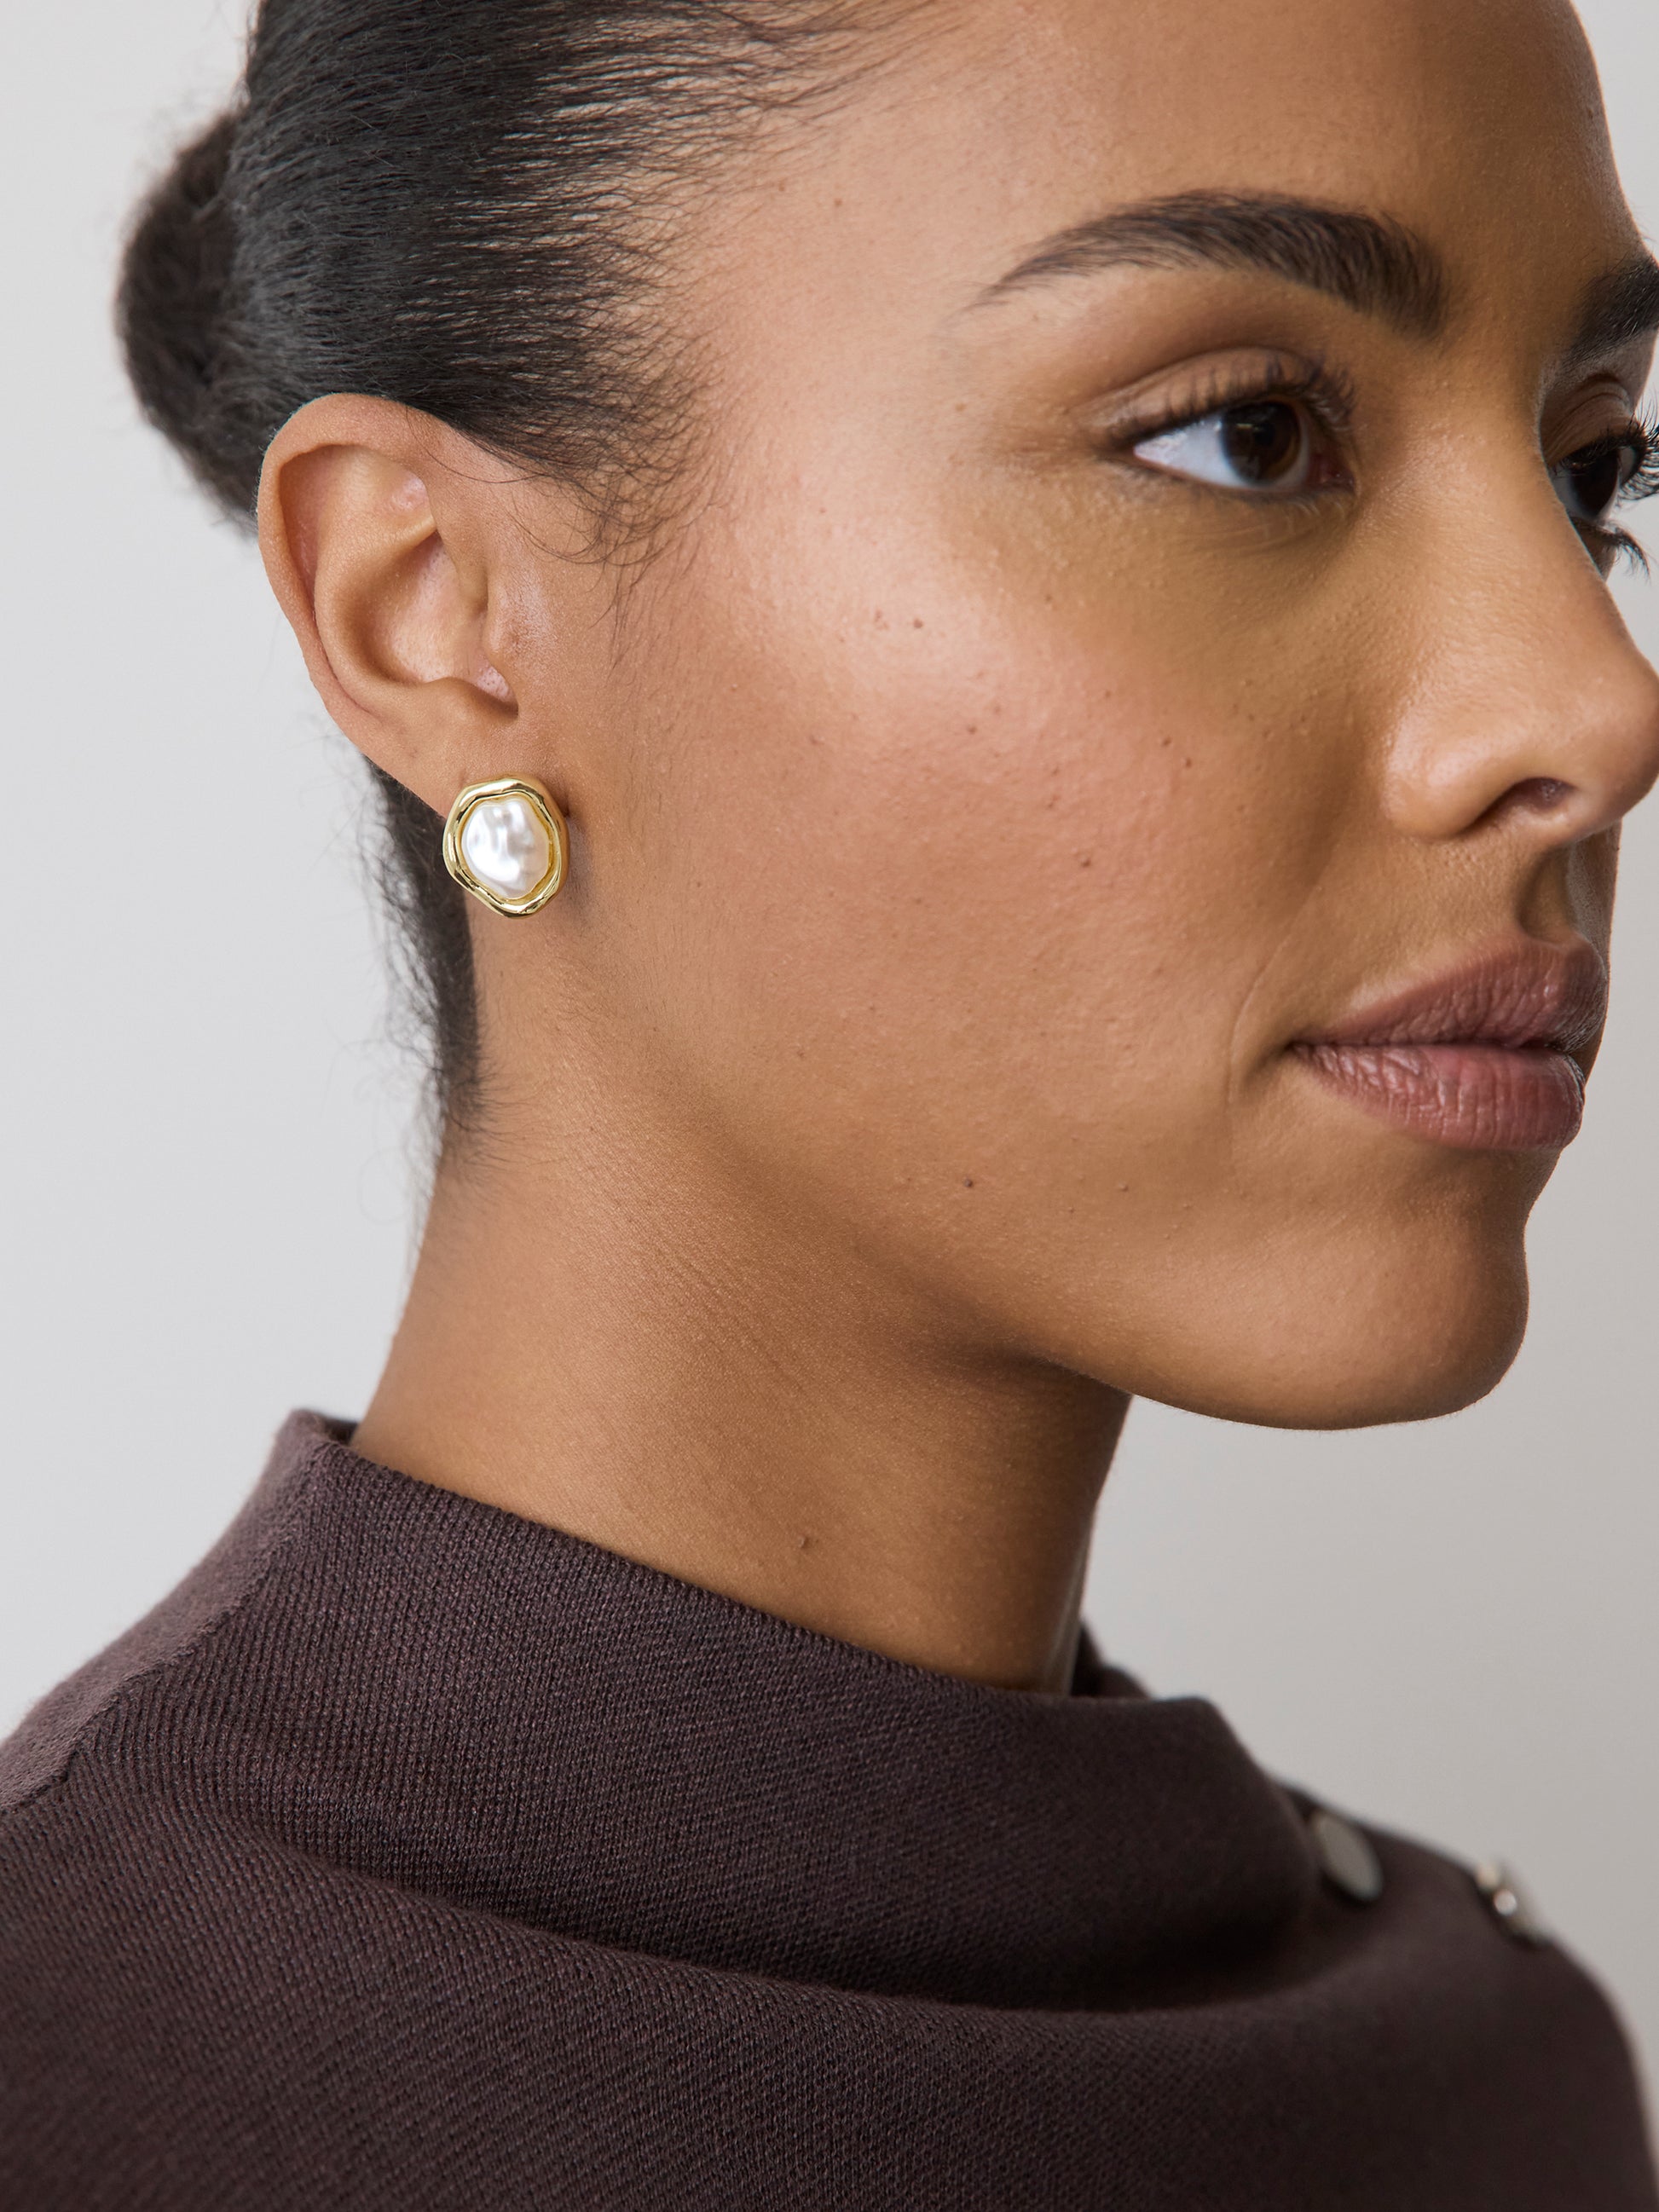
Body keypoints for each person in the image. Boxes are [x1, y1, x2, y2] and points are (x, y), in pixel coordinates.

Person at [4, 0, 1658, 2201]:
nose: (1593, 704)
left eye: (1595, 469)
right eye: (1248, 436)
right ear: (440, 613)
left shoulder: (1499, 2095)